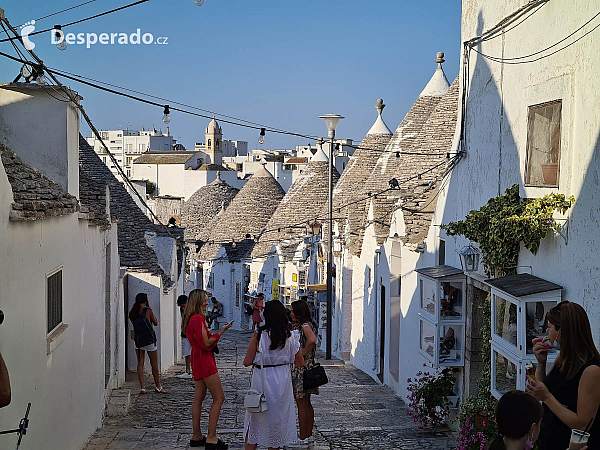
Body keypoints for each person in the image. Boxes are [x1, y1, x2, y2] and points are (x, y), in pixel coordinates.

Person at [526, 301, 600, 449]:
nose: (547, 331)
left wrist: (546, 397)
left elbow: (582, 424)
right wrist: (541, 363)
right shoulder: (564, 357)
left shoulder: (592, 370)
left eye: (550, 327)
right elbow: (548, 388)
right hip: (552, 438)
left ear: (563, 331)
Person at [243, 300, 304, 450]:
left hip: (262, 378)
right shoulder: (291, 336)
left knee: (255, 417)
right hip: (282, 381)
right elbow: (300, 362)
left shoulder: (259, 335)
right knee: (277, 421)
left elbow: (246, 361)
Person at [183, 289, 233, 449]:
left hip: (197, 358)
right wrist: (221, 333)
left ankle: (197, 436)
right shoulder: (198, 319)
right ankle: (211, 437)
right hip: (204, 359)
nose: (207, 303)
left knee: (199, 397)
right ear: (198, 302)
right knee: (219, 398)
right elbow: (206, 343)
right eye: (204, 300)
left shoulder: (191, 319)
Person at [288, 299, 319, 448]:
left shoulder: (305, 326)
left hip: (301, 369)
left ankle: (303, 436)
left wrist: (302, 354)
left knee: (301, 403)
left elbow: (311, 340)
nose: (291, 313)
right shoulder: (304, 325)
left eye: (293, 311)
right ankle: (308, 435)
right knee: (306, 403)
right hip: (307, 368)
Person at [128, 293, 168, 394]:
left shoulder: (132, 312)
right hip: (149, 340)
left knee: (140, 363)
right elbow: (155, 323)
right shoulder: (148, 310)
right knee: (154, 364)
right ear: (145, 300)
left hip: (138, 340)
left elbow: (135, 326)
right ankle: (158, 386)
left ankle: (142, 387)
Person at [176, 294, 192, 379]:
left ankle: (190, 370)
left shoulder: (191, 310)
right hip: (185, 334)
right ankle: (188, 370)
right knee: (187, 353)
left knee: (191, 352)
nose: (183, 307)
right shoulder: (183, 309)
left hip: (190, 334)